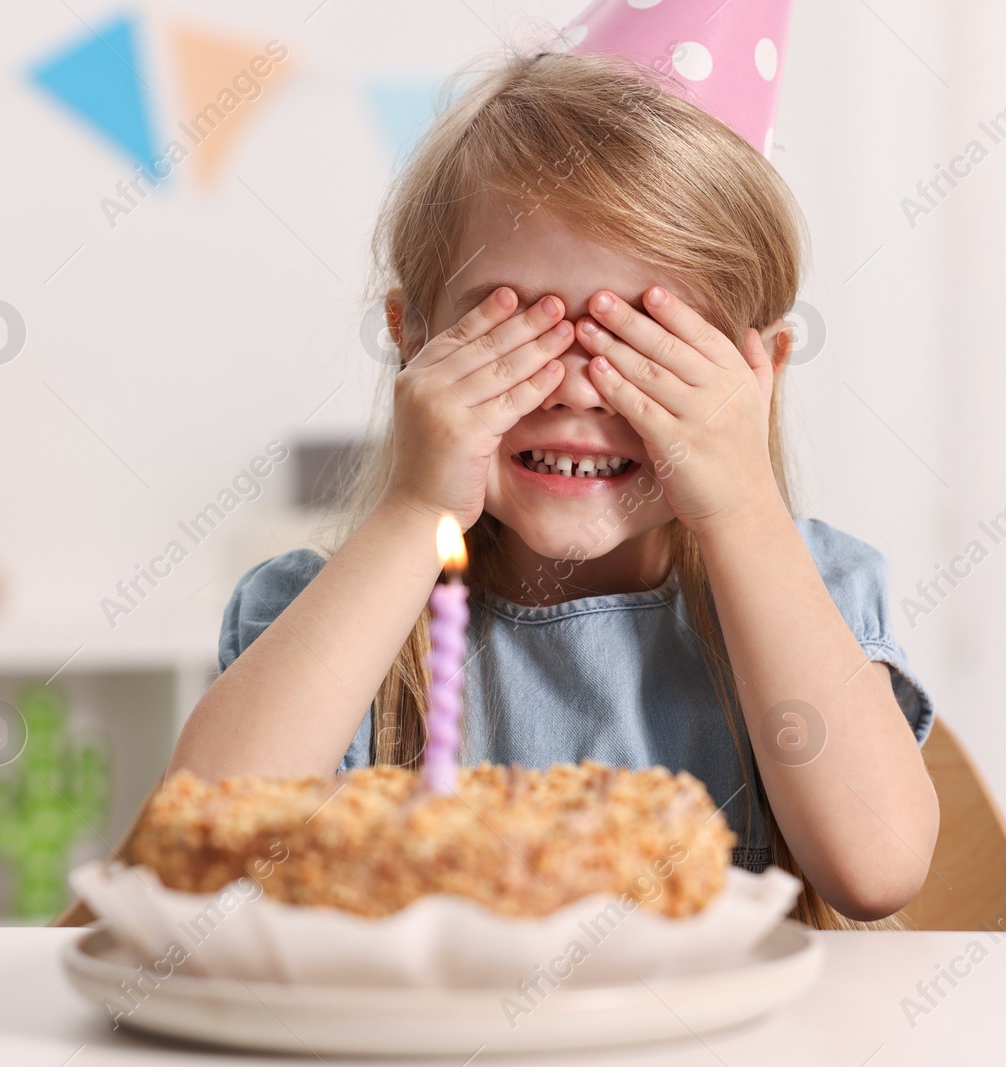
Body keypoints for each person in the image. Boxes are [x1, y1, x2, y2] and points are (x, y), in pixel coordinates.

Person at [167, 49, 939, 930]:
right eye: (515, 326)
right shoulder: (323, 613)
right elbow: (205, 846)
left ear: (760, 372)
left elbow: (878, 866)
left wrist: (743, 506)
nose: (576, 387)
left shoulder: (809, 591)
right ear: (411, 340)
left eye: (647, 338)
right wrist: (418, 514)